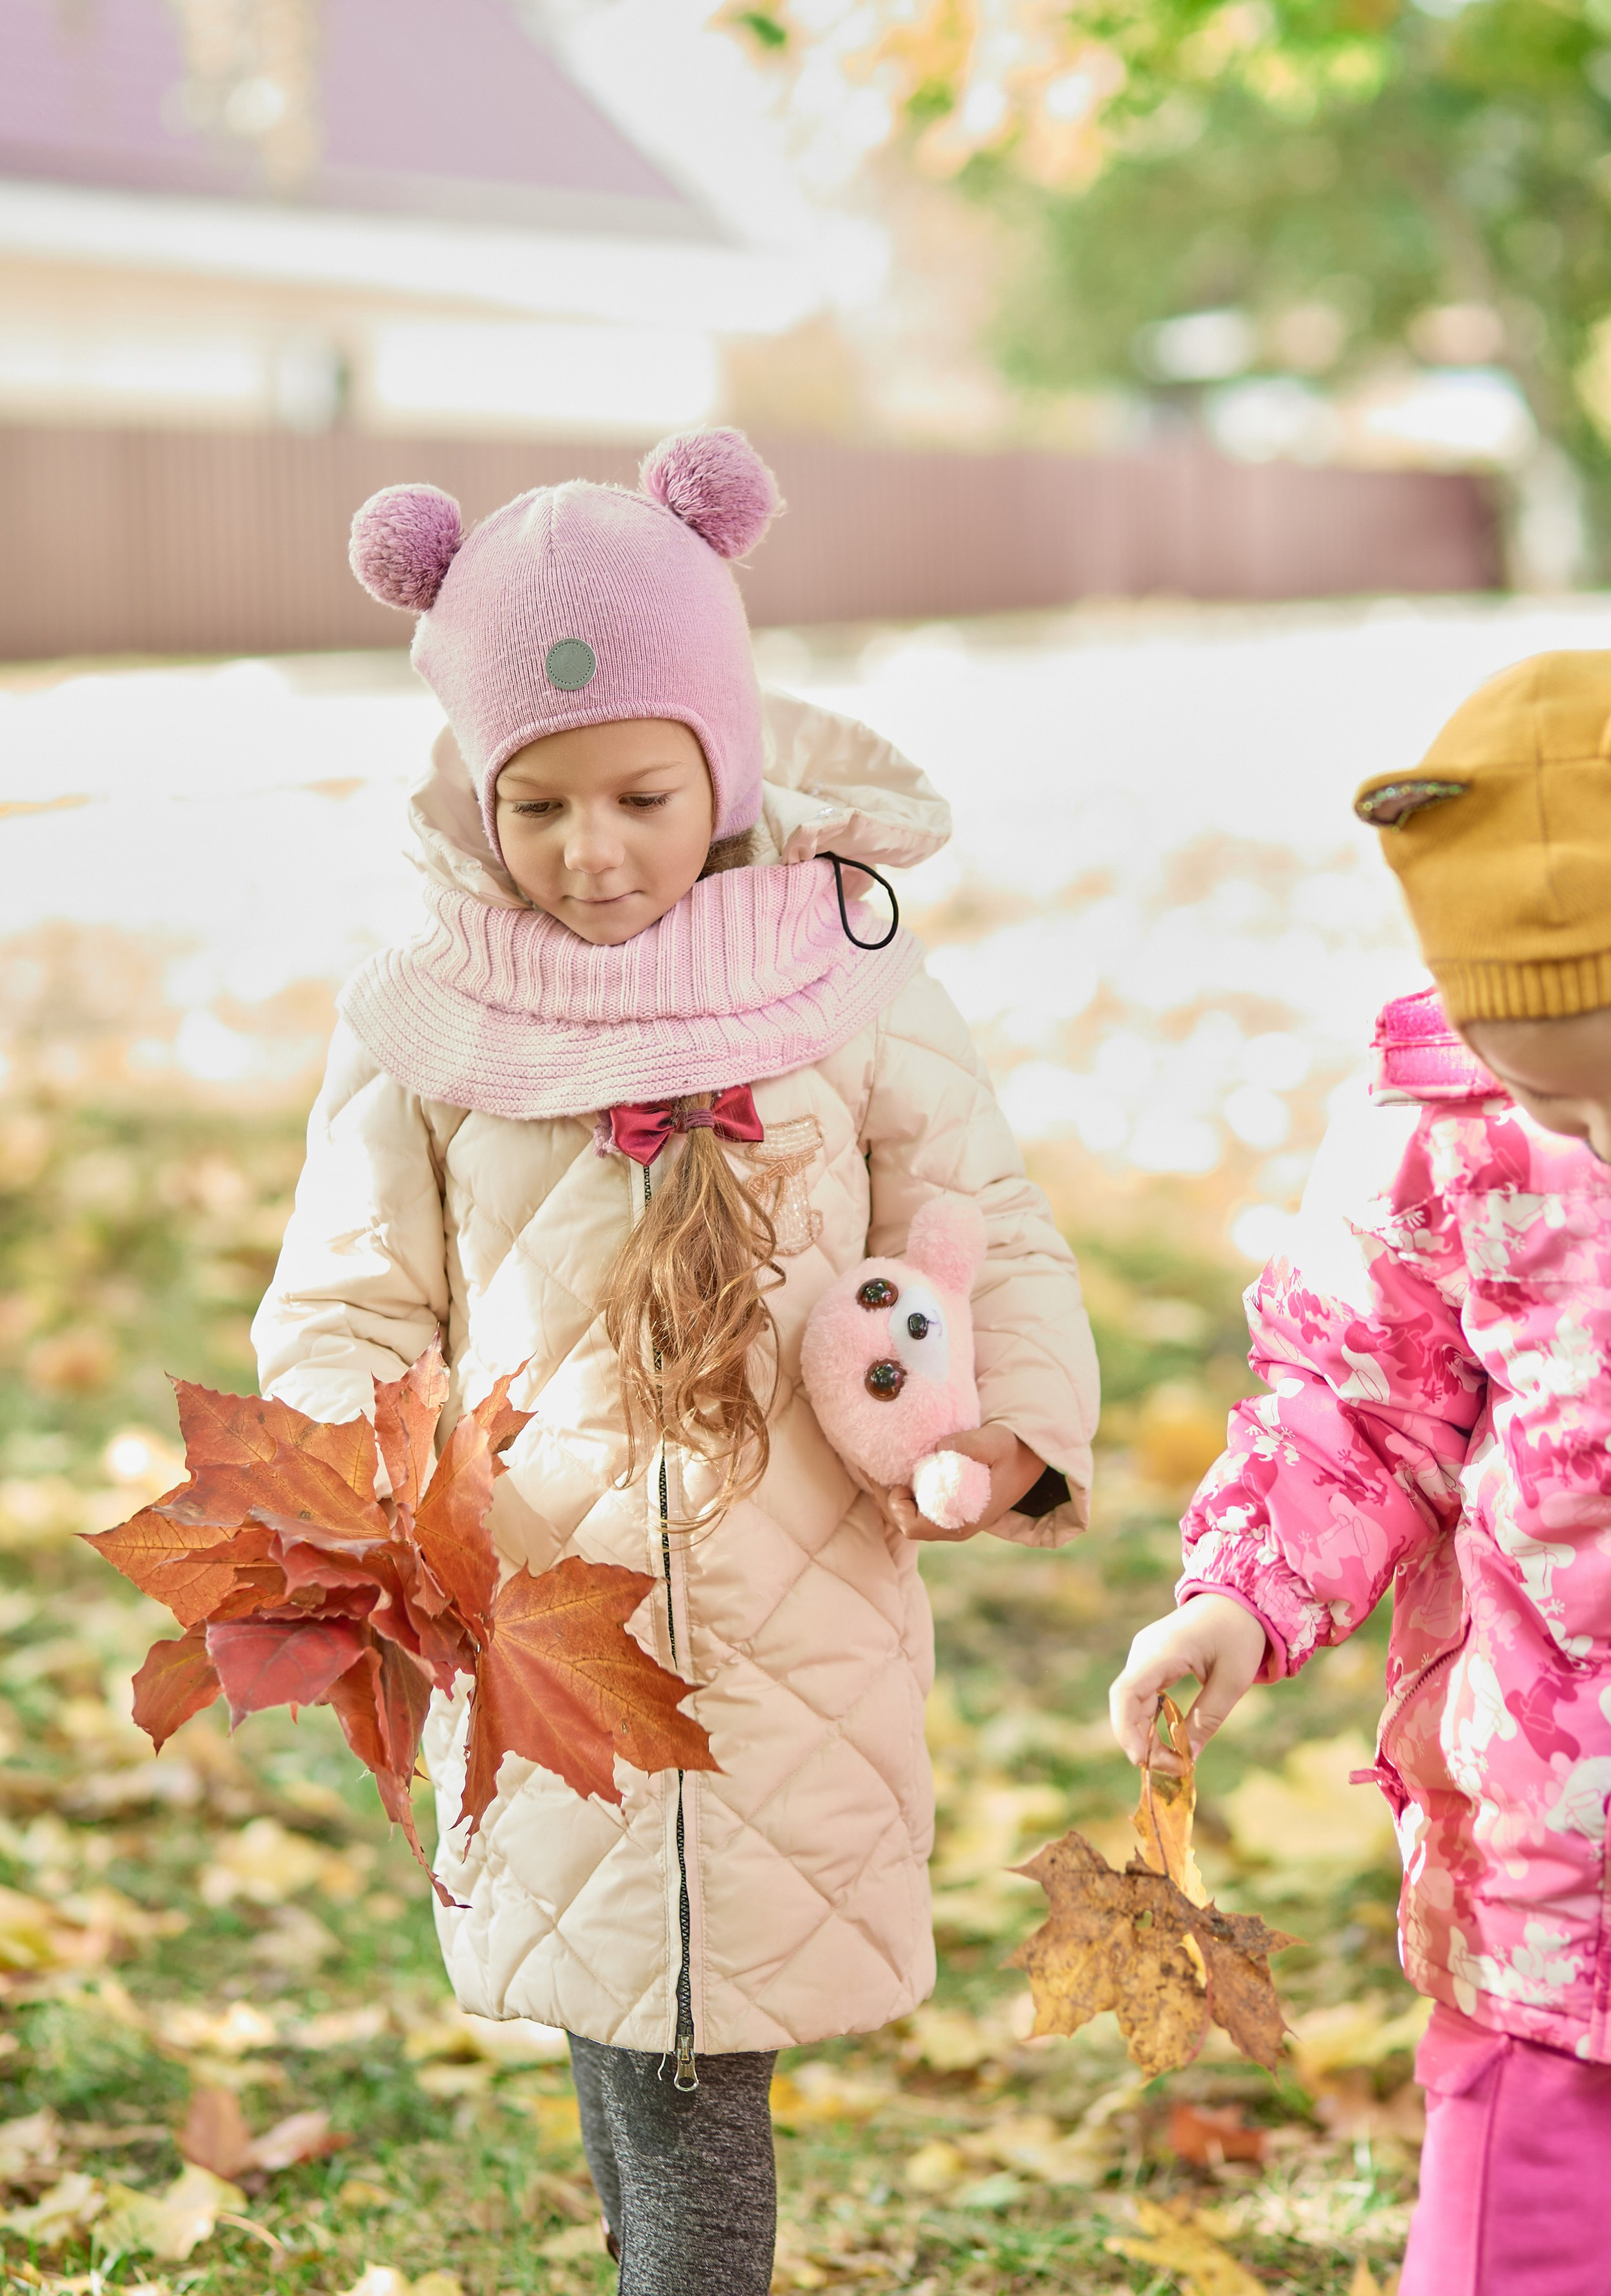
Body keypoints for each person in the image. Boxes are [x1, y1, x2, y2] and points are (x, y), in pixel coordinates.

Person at [253, 428, 1100, 2296]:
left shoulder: (839, 973)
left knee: (697, 2038)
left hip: (782, 1609)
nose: (592, 852)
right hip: (541, 1595)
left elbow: (986, 1216)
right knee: (625, 2008)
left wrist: (1013, 1427)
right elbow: (352, 1288)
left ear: (720, 762)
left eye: (641, 795)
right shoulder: (430, 1000)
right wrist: (361, 1496)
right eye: (536, 807)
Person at [1109, 650, 1611, 2296]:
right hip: (1549, 1877)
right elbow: (1358, 1408)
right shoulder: (1441, 1131)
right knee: (1511, 2254)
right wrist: (1241, 1600)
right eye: (1550, 1093)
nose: (1584, 1130)